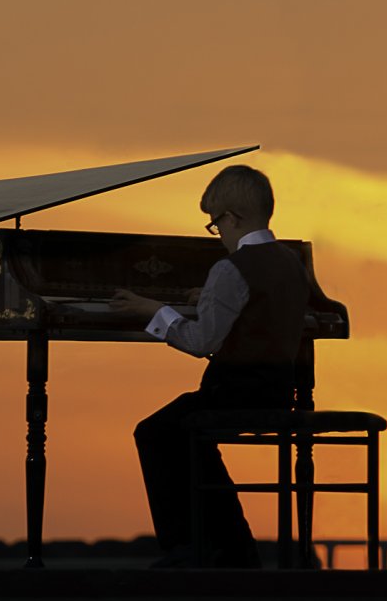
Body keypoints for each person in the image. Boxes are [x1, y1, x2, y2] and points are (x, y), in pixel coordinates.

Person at [110, 165, 309, 568]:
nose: (218, 235)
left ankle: (186, 546)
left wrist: (153, 310)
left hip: (231, 393)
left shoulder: (229, 268)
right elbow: (260, 306)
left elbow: (203, 342)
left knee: (153, 431)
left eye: (215, 225)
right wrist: (211, 298)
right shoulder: (290, 261)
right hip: (274, 392)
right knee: (189, 436)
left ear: (232, 218)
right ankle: (234, 548)